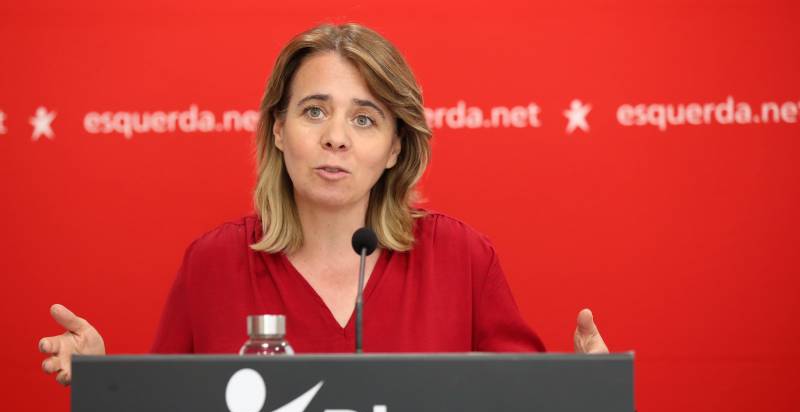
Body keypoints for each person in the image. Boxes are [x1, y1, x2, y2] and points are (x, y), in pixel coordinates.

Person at [37, 23, 609, 386]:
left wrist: (589, 396)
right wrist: (104, 383)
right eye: (314, 111)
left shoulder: (463, 258)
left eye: (364, 119)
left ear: (395, 148)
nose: (336, 138)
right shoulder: (211, 263)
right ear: (278, 129)